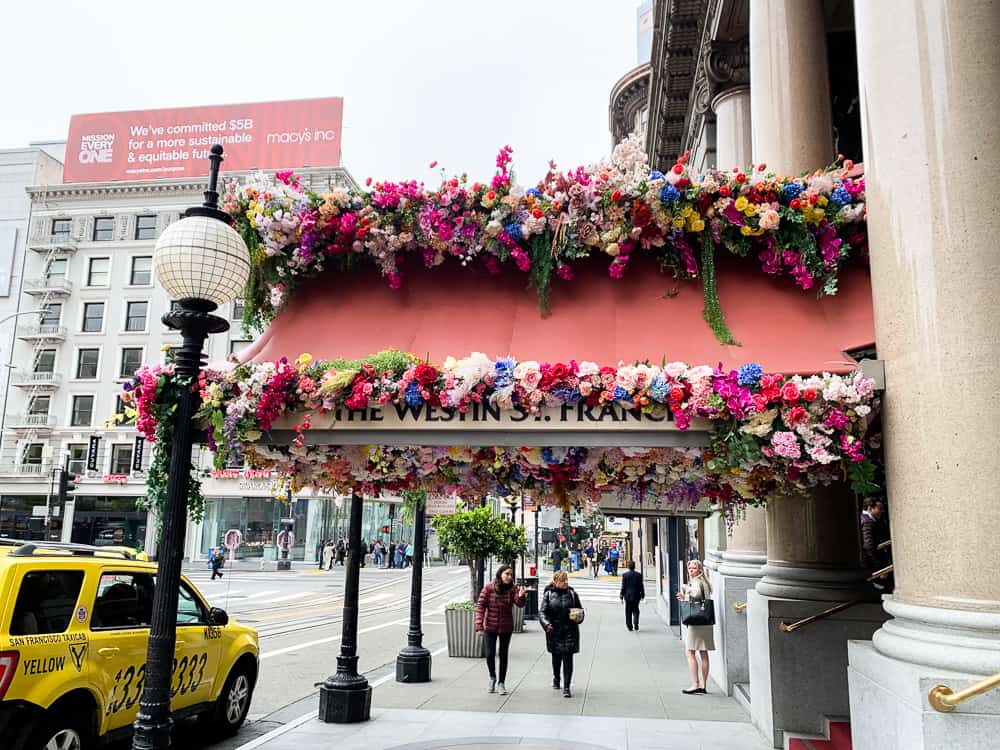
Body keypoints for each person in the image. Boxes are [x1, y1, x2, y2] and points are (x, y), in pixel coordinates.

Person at [475, 564, 527, 695]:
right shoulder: (488, 588)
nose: (509, 577)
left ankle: (501, 683)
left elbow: (519, 604)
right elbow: (480, 606)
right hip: (490, 626)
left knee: (503, 655)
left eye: (511, 575)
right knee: (489, 654)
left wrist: (521, 596)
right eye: (507, 574)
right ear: (500, 574)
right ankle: (492, 677)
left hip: (506, 627)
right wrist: (479, 625)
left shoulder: (513, 589)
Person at [539, 570, 582, 698]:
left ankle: (567, 687)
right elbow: (542, 612)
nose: (566, 582)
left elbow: (580, 609)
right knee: (556, 658)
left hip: (570, 630)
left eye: (567, 580)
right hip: (554, 631)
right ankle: (556, 678)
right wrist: (546, 624)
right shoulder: (548, 595)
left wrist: (579, 616)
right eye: (563, 580)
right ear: (556, 582)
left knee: (568, 659)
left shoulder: (573, 594)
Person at [675, 559, 714, 694]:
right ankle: (703, 684)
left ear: (699, 570)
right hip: (705, 621)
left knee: (690, 651)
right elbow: (697, 598)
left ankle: (696, 683)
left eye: (694, 568)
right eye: (689, 568)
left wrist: (686, 589)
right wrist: (684, 596)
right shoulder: (705, 582)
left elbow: (696, 594)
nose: (691, 571)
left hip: (697, 623)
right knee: (703, 652)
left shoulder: (698, 582)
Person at [860, 498, 889, 569]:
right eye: (880, 509)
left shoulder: (870, 519)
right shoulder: (867, 523)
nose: (882, 511)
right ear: (870, 509)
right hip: (873, 565)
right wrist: (879, 566)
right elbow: (869, 546)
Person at [620, 560, 645, 631]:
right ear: (634, 566)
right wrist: (643, 594)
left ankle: (629, 626)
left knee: (628, 611)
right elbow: (641, 586)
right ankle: (636, 621)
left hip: (627, 596)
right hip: (636, 595)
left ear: (628, 567)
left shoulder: (625, 575)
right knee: (636, 609)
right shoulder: (639, 575)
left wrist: (621, 594)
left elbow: (623, 586)